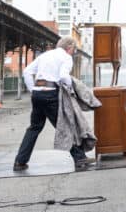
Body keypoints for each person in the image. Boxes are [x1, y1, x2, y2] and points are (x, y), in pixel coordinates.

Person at [14, 36, 90, 172]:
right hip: (51, 94)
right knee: (65, 126)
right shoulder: (66, 57)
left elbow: (27, 72)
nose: (73, 52)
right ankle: (80, 158)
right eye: (73, 49)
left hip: (38, 94)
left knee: (34, 128)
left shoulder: (45, 55)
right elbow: (64, 76)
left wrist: (33, 91)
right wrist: (71, 90)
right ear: (69, 47)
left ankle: (20, 161)